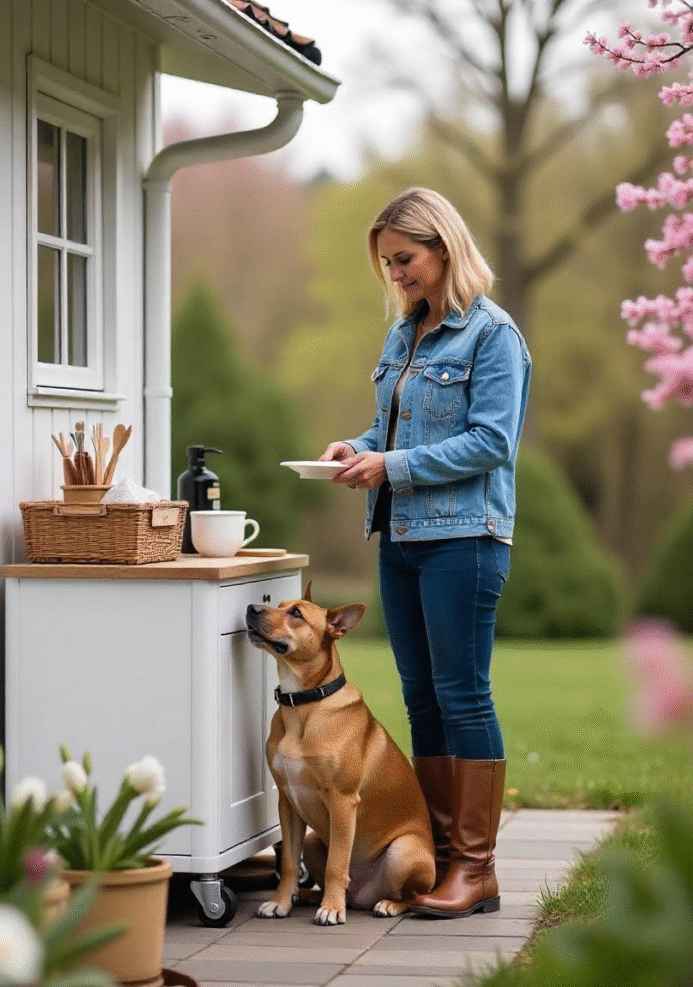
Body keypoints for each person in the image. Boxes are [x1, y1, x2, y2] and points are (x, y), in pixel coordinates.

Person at [319, 187, 531, 918]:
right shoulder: (404, 335)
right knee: (421, 696)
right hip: (402, 536)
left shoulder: (493, 336)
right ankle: (440, 857)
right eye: (387, 263)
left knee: (462, 693)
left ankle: (476, 869)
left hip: (465, 540)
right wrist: (358, 448)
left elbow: (492, 442)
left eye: (405, 259)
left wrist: (393, 466)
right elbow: (396, 430)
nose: (396, 274)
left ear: (445, 247)